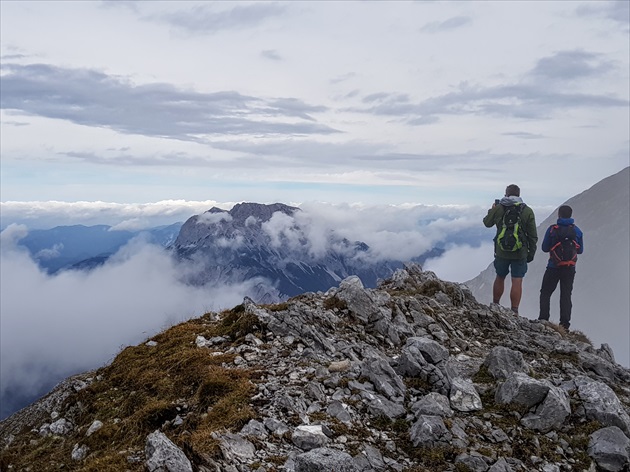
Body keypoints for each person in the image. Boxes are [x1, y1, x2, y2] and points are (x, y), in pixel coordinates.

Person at [483, 184, 538, 314]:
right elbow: (532, 235)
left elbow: (487, 223)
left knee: (500, 276)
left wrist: (492, 210)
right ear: (519, 194)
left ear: (506, 194)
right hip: (520, 252)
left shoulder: (500, 208)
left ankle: (495, 304)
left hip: (501, 251)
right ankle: (514, 310)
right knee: (517, 280)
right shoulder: (527, 211)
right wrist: (531, 253)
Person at [538, 205, 584, 330]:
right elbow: (580, 251)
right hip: (569, 268)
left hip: (553, 266)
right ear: (571, 215)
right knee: (566, 295)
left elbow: (544, 248)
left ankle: (543, 320)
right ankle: (564, 325)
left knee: (546, 293)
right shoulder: (577, 231)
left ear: (559, 215)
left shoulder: (552, 229)